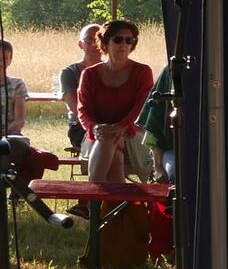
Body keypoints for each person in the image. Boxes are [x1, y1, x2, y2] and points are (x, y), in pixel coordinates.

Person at [76, 20, 155, 184]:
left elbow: (142, 108)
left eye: (129, 40)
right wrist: (94, 127)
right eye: (118, 39)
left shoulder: (142, 72)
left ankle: (93, 198)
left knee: (110, 139)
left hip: (133, 132)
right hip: (97, 134)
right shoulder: (90, 74)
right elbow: (83, 110)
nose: (124, 44)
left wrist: (122, 126)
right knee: (115, 156)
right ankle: (116, 207)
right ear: (105, 42)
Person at [58, 23, 102, 151]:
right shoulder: (69, 72)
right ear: (80, 44)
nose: (95, 44)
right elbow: (76, 108)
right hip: (81, 126)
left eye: (99, 39)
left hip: (111, 126)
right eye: (89, 40)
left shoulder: (114, 71)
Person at [0, 41, 25, 138]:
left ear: (10, 60)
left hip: (9, 134)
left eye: (4, 58)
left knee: (17, 144)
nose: (1, 62)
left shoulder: (17, 84)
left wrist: (4, 132)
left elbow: (19, 120)